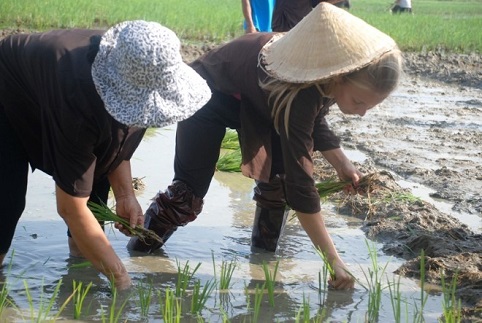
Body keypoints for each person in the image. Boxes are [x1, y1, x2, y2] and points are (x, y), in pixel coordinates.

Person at [128, 3, 402, 290]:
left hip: (258, 100)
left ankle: (262, 271)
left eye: (370, 106)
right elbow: (302, 186)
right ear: (339, 77)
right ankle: (137, 259)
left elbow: (314, 119)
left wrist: (342, 164)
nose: (362, 113)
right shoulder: (301, 91)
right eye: (359, 102)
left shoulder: (324, 78)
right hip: (208, 95)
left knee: (277, 189)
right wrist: (333, 260)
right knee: (187, 195)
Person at [0, 20, 211, 289]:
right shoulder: (79, 98)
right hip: (8, 90)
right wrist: (121, 279)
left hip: (69, 98)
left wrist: (125, 195)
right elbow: (70, 208)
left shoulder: (139, 74)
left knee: (93, 209)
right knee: (6, 201)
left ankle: (79, 282)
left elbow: (115, 144)